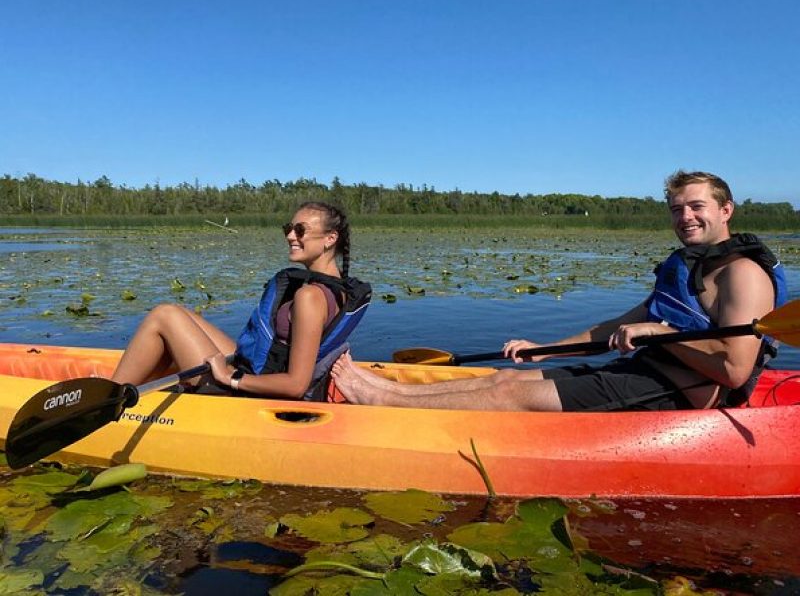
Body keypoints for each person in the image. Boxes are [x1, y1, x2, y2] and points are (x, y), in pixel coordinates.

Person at [331, 171, 787, 411]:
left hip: (680, 395)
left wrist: (652, 332)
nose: (684, 216)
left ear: (725, 209)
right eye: (676, 209)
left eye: (696, 206)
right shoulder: (686, 267)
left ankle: (378, 400)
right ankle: (385, 389)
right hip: (650, 374)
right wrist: (544, 350)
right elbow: (614, 326)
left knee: (507, 395)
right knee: (503, 377)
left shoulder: (741, 274)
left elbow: (733, 369)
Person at [112, 202, 371, 400]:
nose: (291, 236)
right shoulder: (337, 288)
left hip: (250, 394)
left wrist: (231, 378)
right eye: (288, 229)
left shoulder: (310, 296)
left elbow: (296, 385)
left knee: (164, 314)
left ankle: (106, 403)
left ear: (330, 238)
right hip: (257, 368)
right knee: (182, 314)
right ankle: (138, 388)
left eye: (300, 230)